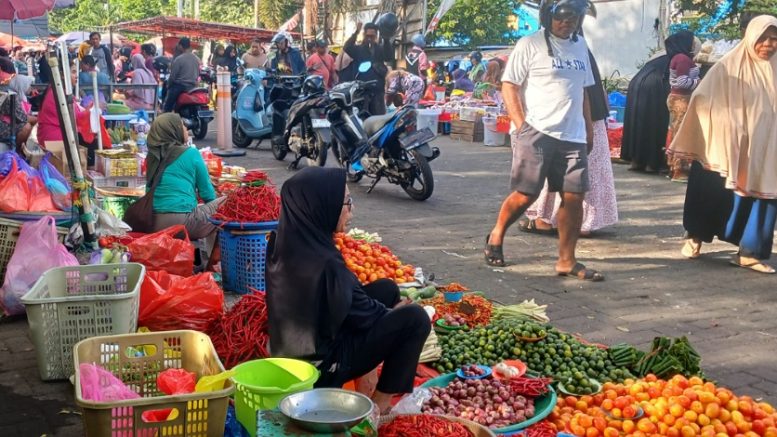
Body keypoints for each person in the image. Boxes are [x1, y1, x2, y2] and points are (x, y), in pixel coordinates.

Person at [266, 167, 431, 414]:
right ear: (322, 207)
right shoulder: (326, 264)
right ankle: (377, 410)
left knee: (385, 288)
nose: (352, 210)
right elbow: (365, 313)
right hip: (319, 369)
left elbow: (347, 301)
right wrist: (395, 314)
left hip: (297, 347)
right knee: (415, 319)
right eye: (346, 202)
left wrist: (386, 309)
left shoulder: (286, 242)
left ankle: (367, 383)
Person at [484, 0, 604, 281]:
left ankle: (566, 260)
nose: (566, 23)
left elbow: (583, 92)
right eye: (562, 18)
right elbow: (510, 85)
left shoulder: (581, 48)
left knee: (574, 197)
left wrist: (588, 129)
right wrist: (521, 125)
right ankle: (497, 234)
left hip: (572, 135)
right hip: (537, 131)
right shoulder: (530, 44)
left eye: (573, 19)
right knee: (526, 194)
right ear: (549, 17)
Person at [669, 15, 777, 274]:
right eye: (764, 38)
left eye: (774, 39)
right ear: (751, 37)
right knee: (712, 191)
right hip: (726, 146)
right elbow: (702, 100)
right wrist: (729, 128)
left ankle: (749, 252)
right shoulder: (727, 67)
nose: (769, 45)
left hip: (764, 148)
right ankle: (696, 236)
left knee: (764, 195)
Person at [521, 51, 618, 237]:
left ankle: (548, 218)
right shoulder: (578, 47)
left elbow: (577, 90)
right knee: (589, 170)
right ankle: (582, 222)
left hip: (566, 119)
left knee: (555, 168)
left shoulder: (561, 49)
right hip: (587, 117)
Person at [619, 31, 694, 173]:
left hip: (637, 83)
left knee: (638, 122)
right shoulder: (681, 57)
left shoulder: (664, 53)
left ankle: (637, 161)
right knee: (654, 122)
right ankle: (652, 164)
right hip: (654, 86)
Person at [149, 113, 223, 253]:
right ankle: (214, 263)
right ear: (173, 130)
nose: (186, 129)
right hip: (182, 224)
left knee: (204, 209)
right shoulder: (191, 153)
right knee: (228, 201)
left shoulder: (152, 156)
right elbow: (208, 194)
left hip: (152, 222)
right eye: (182, 126)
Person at [666, 37, 702, 181]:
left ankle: (674, 166)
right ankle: (679, 169)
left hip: (679, 99)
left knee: (676, 131)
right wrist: (700, 81)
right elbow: (682, 82)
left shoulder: (680, 57)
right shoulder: (682, 59)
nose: (694, 44)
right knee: (681, 133)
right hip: (681, 100)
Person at [344, 22, 395, 115]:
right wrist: (356, 32)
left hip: (377, 90)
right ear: (364, 35)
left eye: (372, 36)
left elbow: (389, 56)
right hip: (362, 91)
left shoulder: (379, 49)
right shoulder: (359, 49)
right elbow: (347, 48)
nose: (369, 38)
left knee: (378, 117)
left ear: (376, 36)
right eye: (367, 36)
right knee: (363, 116)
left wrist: (386, 39)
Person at [163, 37, 200, 112]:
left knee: (167, 106)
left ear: (180, 46)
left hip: (180, 87)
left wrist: (168, 85)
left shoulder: (179, 59)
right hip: (193, 86)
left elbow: (173, 77)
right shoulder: (196, 59)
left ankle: (165, 117)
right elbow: (198, 74)